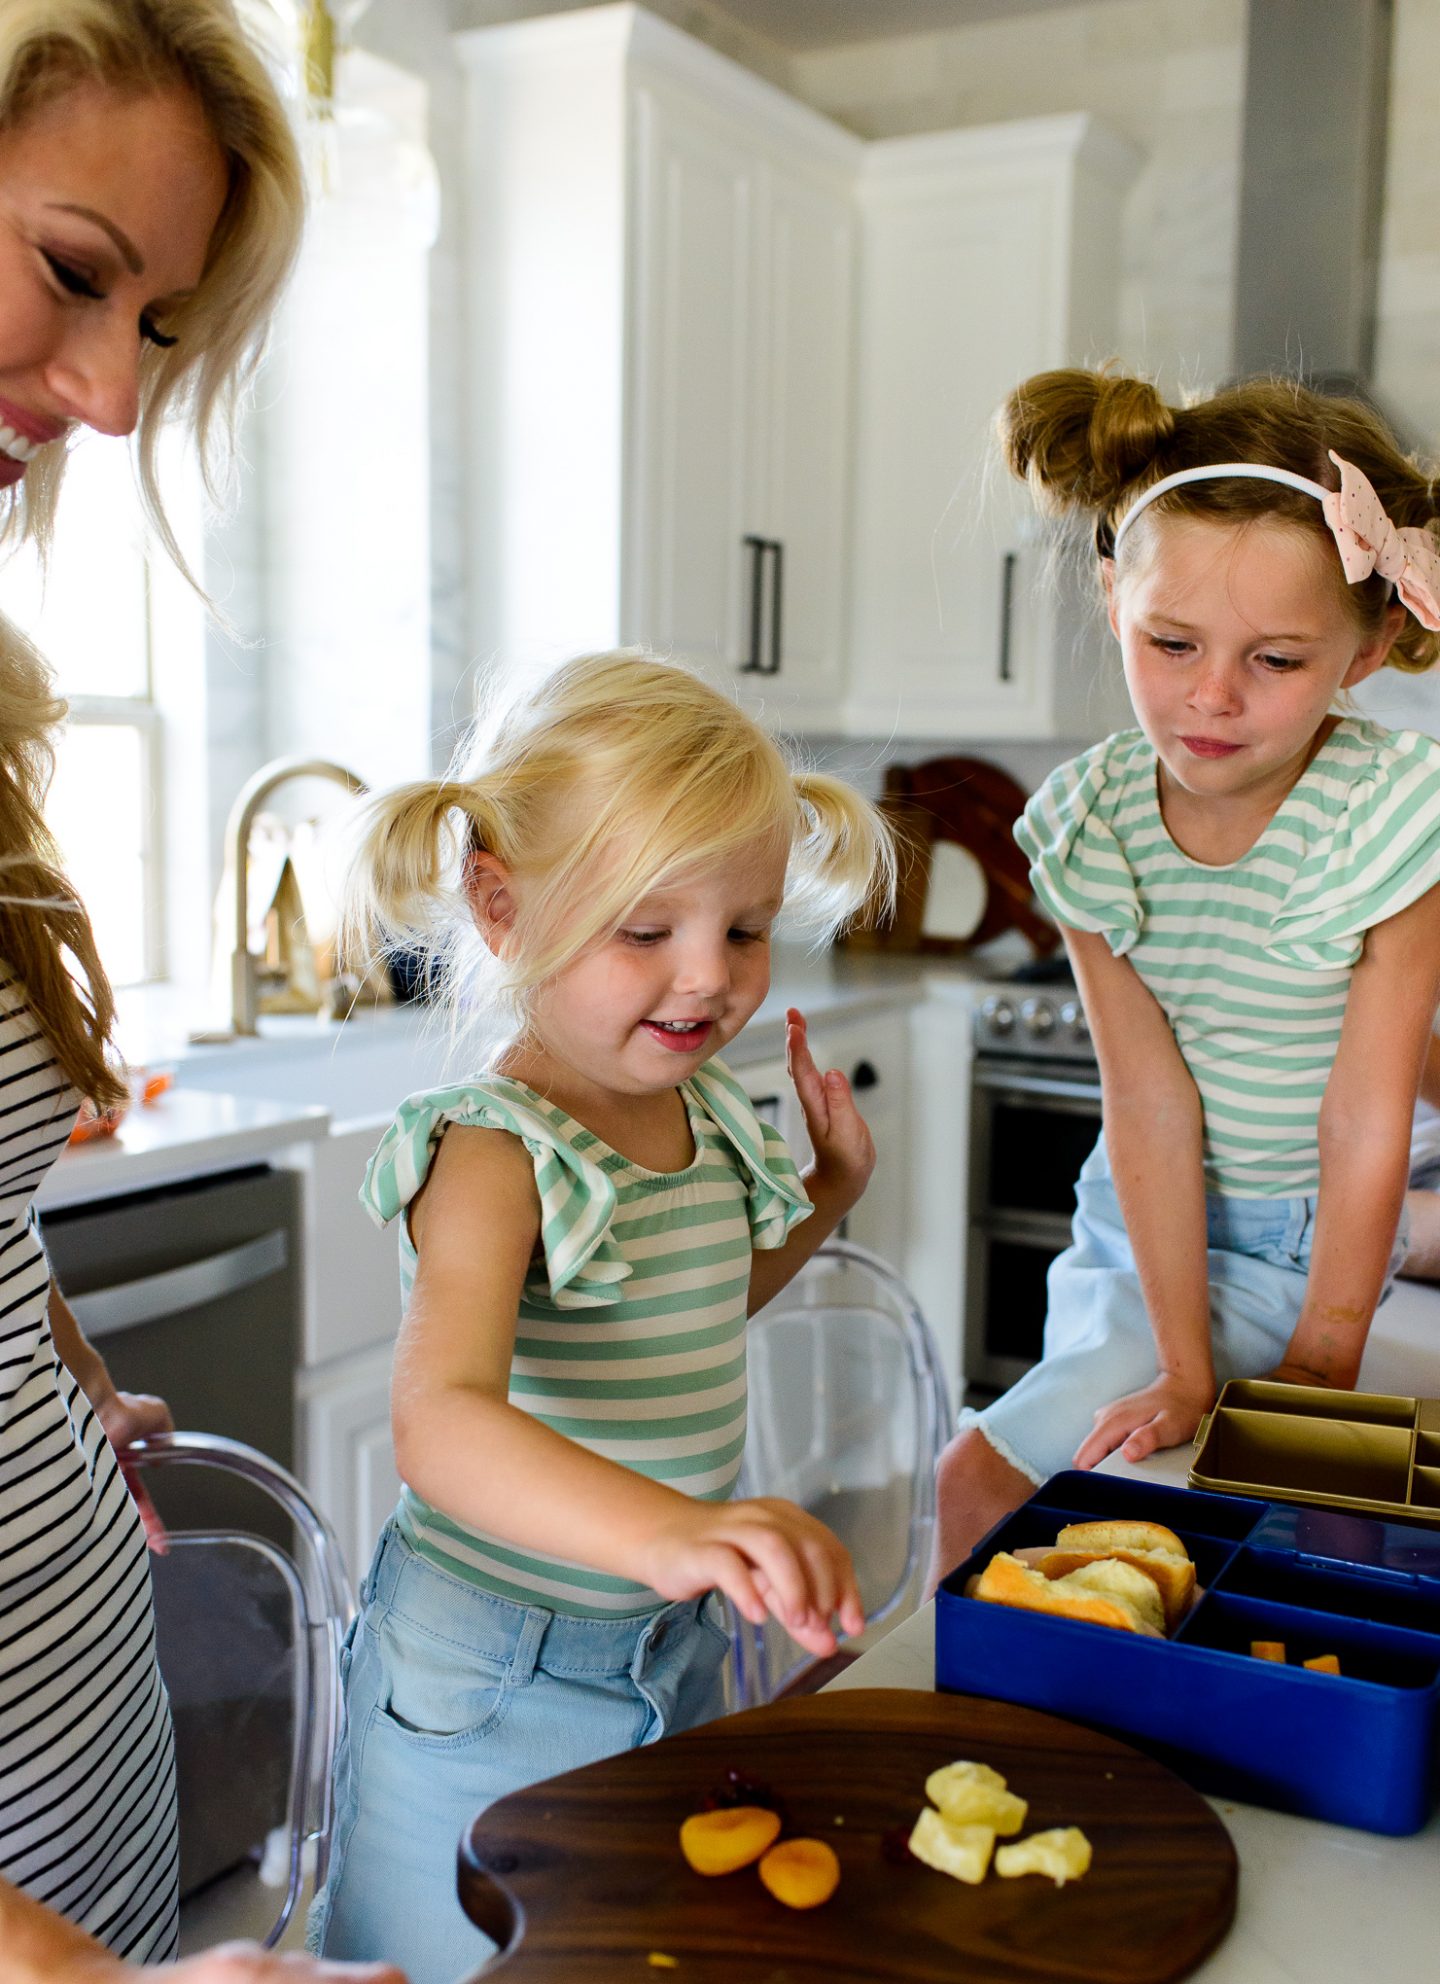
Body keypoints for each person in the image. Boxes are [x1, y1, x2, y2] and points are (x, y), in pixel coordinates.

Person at [0, 4, 398, 1978]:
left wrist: (58, 1360)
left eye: (153, 325)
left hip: (73, 1730)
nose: (106, 394)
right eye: (76, 272)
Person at [309, 651, 896, 1982]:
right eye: (647, 931)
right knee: (446, 1960)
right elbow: (440, 1422)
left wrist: (830, 1192)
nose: (708, 978)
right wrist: (674, 1528)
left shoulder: (699, 1109)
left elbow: (695, 1310)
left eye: (743, 929)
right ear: (501, 906)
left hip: (665, 1646)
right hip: (485, 1679)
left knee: (612, 1953)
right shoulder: (494, 1147)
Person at [931, 367, 1440, 1582]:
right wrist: (1183, 1366)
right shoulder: (1087, 822)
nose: (1213, 696)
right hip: (1136, 1226)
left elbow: (1366, 1115)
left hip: (1310, 1234)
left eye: (1277, 658)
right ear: (1114, 595)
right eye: (1172, 642)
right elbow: (1149, 1104)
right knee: (1010, 1489)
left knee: (1306, 1534)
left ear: (1368, 647)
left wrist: (1322, 1362)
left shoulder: (1394, 812)